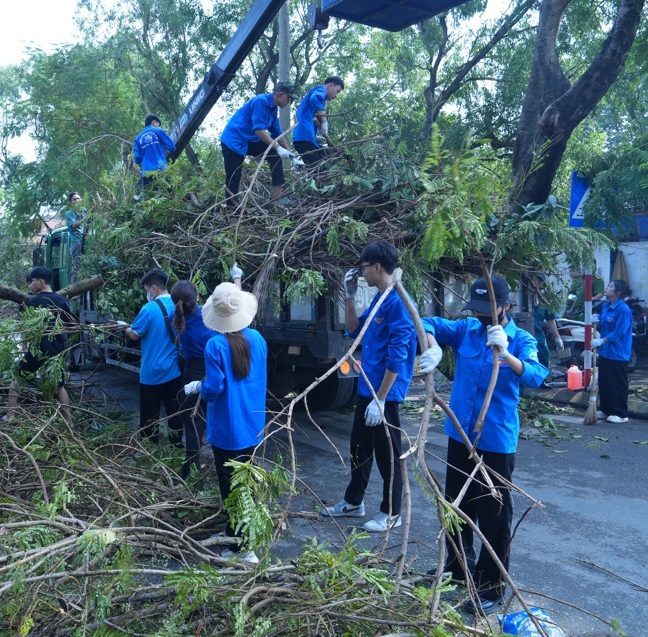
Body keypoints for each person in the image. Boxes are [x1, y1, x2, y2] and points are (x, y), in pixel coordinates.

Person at [416, 275, 547, 614]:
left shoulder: (521, 339)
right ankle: (459, 567)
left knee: (494, 515)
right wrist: (431, 344)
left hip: (496, 441)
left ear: (505, 305)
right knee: (456, 506)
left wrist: (506, 353)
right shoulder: (466, 331)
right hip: (459, 434)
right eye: (476, 309)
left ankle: (491, 586)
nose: (480, 316)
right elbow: (425, 321)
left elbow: (535, 375)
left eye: (486, 308)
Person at [321, 241, 416, 533]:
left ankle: (392, 512)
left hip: (384, 394)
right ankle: (353, 502)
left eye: (364, 267)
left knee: (388, 455)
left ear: (377, 267)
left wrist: (382, 399)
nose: (361, 273)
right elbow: (353, 331)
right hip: (368, 388)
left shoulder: (398, 302)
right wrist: (349, 297)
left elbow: (397, 354)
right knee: (359, 449)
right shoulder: (379, 298)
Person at [184, 282, 268, 565]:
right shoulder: (258, 338)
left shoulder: (215, 345)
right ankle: (239, 532)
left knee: (231, 487)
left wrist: (199, 387)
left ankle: (243, 548)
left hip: (227, 428)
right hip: (253, 423)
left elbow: (215, 387)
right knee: (247, 483)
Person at [7, 267, 77, 421]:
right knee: (60, 386)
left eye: (32, 282)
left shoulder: (34, 301)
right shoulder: (63, 301)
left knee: (16, 378)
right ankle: (69, 422)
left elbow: (25, 326)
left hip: (39, 350)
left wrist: (25, 342)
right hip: (58, 350)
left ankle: (9, 415)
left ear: (40, 281)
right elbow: (71, 326)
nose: (30, 285)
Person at [220, 81, 304, 208]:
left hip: (250, 140)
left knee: (274, 152)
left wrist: (293, 157)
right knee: (234, 176)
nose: (289, 102)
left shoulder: (273, 109)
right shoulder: (261, 101)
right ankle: (232, 210)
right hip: (234, 140)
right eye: (289, 98)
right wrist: (278, 147)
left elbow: (278, 134)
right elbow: (259, 130)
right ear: (281, 94)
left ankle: (276, 195)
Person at [124, 269, 183, 446]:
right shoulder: (179, 305)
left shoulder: (149, 309)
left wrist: (124, 327)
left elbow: (134, 335)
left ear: (154, 289)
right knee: (175, 412)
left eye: (146, 290)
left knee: (150, 416)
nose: (147, 294)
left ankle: (151, 449)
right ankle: (176, 446)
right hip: (174, 371)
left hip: (151, 373)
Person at [170, 278, 220, 483]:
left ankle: (191, 472)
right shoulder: (207, 314)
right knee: (217, 419)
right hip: (213, 369)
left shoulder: (175, 317)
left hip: (190, 373)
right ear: (197, 298)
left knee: (192, 424)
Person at [592, 279, 633, 424]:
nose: (607, 288)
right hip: (605, 352)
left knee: (617, 383)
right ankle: (606, 409)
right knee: (605, 381)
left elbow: (619, 332)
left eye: (610, 286)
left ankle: (620, 413)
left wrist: (602, 341)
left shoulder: (623, 309)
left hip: (618, 352)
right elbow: (604, 325)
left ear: (618, 292)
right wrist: (595, 321)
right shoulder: (606, 306)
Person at [292, 75, 344, 166]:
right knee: (319, 171)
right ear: (330, 85)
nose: (336, 96)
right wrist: (324, 121)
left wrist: (314, 136)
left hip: (308, 138)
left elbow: (305, 118)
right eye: (337, 91)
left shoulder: (316, 98)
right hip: (304, 140)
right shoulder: (321, 90)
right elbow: (315, 99)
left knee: (328, 157)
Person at [133, 114, 177, 200]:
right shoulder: (158, 131)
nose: (158, 126)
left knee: (149, 199)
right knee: (170, 196)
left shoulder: (138, 138)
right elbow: (172, 147)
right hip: (161, 169)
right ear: (153, 122)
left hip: (147, 172)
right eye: (158, 124)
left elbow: (137, 158)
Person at [527, 274, 563, 374]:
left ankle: (542, 381)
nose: (533, 283)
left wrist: (557, 337)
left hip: (538, 335)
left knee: (544, 358)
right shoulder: (520, 296)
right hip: (523, 334)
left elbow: (550, 320)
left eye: (537, 281)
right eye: (532, 279)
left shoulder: (545, 299)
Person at [65, 192, 88, 279]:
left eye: (78, 198)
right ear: (71, 203)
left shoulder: (85, 210)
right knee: (76, 266)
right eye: (74, 199)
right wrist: (85, 219)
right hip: (76, 242)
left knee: (86, 264)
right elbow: (74, 225)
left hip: (86, 240)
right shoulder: (69, 213)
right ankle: (75, 288)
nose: (77, 200)